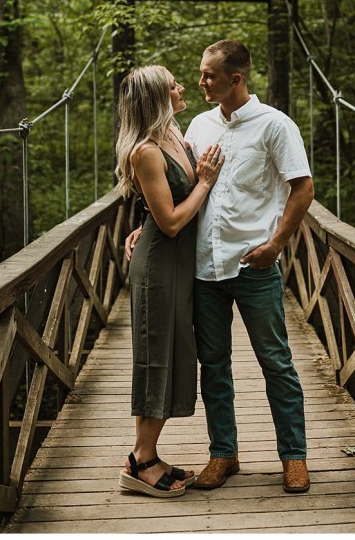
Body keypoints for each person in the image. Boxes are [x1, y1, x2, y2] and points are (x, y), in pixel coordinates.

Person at [127, 41, 315, 494]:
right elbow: (172, 185)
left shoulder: (275, 125)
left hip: (253, 265)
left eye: (209, 75)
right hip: (202, 269)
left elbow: (303, 188)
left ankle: (294, 457)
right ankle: (223, 453)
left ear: (236, 79)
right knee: (213, 365)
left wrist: (275, 244)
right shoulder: (197, 124)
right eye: (198, 73)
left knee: (276, 363)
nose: (200, 82)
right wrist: (143, 225)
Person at [114, 65, 225, 498]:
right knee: (155, 356)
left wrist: (147, 221)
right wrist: (205, 181)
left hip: (179, 266)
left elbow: (165, 208)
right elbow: (175, 222)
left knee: (176, 354)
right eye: (173, 84)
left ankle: (147, 454)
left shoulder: (175, 138)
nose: (182, 88)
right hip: (160, 267)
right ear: (157, 98)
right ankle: (141, 462)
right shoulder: (145, 151)